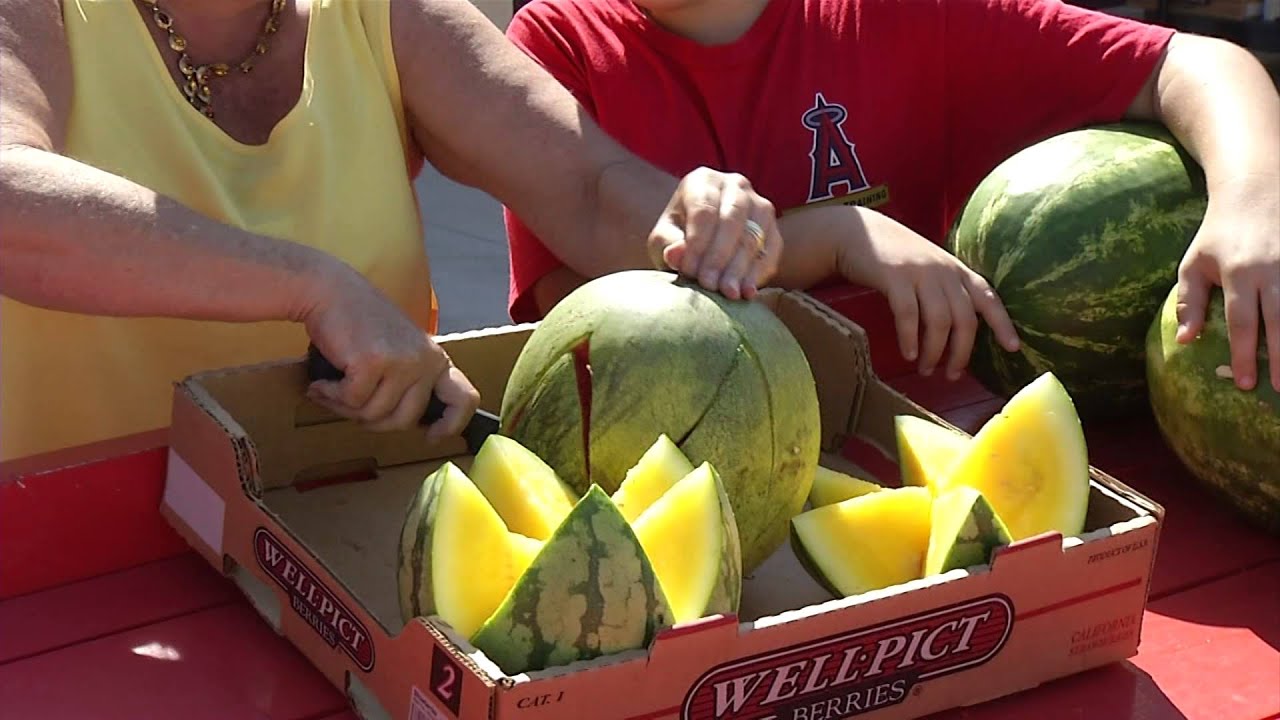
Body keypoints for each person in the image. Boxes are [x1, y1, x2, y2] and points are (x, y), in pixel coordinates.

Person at [0, 0, 785, 461]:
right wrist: (311, 287)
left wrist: (687, 218)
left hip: (352, 526)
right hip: (74, 553)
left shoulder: (382, 12)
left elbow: (583, 186)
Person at [501, 0, 1280, 391]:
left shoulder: (903, 14)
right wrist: (839, 237)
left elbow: (1194, 64)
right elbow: (577, 305)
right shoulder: (554, 43)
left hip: (937, 450)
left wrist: (1252, 202)